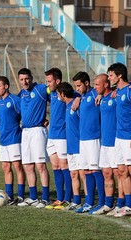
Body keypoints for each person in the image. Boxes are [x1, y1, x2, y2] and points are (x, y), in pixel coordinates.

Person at [89, 73, 124, 215]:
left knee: (119, 173)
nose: (94, 87)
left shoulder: (116, 97)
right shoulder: (101, 98)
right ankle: (109, 204)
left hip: (116, 142)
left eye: (97, 84)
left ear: (106, 84)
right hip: (105, 143)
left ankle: (122, 203)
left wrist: (118, 91)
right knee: (107, 173)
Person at [16, 68, 50, 208]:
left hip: (38, 131)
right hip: (25, 132)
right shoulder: (21, 94)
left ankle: (45, 198)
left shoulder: (41, 89)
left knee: (40, 165)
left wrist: (77, 96)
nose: (25, 82)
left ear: (31, 77)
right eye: (22, 79)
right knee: (28, 166)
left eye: (27, 78)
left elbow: (56, 94)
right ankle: (33, 197)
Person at [72, 71, 105, 214]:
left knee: (96, 170)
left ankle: (102, 202)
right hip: (83, 139)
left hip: (94, 139)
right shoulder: (82, 97)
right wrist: (78, 98)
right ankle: (89, 202)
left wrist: (101, 94)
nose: (77, 88)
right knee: (85, 171)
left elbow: (107, 92)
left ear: (86, 83)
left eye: (79, 85)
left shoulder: (95, 95)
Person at [44, 68, 72, 210]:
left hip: (62, 136)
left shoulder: (64, 93)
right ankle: (59, 198)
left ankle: (68, 198)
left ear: (57, 81)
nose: (47, 84)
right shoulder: (52, 93)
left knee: (64, 165)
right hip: (52, 136)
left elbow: (78, 95)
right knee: (55, 166)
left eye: (49, 81)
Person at [56, 82, 87, 210]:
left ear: (63, 94)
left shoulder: (77, 105)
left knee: (83, 174)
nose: (57, 97)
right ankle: (76, 201)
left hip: (79, 146)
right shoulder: (68, 106)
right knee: (73, 174)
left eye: (58, 94)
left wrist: (79, 98)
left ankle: (88, 200)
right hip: (70, 146)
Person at [0, 76, 25, 205]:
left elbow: (24, 113)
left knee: (17, 166)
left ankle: (21, 195)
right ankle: (9, 196)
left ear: (6, 86)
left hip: (14, 138)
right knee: (6, 167)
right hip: (3, 140)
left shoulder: (14, 100)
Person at [107, 63, 131, 217]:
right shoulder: (118, 92)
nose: (109, 78)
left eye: (111, 75)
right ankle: (127, 206)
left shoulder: (129, 91)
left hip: (129, 137)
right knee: (122, 171)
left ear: (119, 75)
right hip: (119, 138)